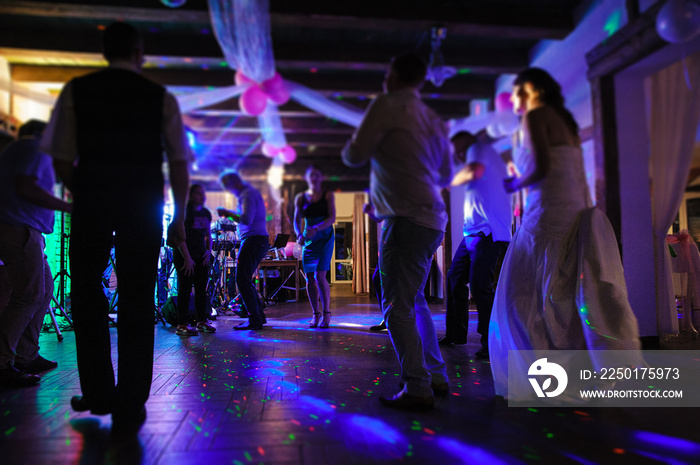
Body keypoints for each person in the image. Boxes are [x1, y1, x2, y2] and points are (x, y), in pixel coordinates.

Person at [40, 22, 191, 434]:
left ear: (105, 50)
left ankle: (99, 391)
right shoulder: (161, 98)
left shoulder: (77, 89)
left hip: (91, 203)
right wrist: (177, 217)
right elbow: (179, 163)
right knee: (139, 295)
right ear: (140, 52)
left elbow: (59, 160)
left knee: (86, 292)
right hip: (143, 205)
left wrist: (85, 192)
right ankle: (130, 398)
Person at [488, 68, 641, 400]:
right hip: (572, 213)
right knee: (565, 295)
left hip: (546, 214)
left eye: (517, 92)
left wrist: (515, 183)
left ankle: (540, 376)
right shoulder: (564, 120)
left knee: (524, 295)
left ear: (532, 90)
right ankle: (573, 374)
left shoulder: (536, 116)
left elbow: (542, 167)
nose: (514, 99)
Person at [342, 53, 453, 410]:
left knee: (395, 307)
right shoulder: (433, 118)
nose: (383, 80)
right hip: (434, 220)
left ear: (393, 76)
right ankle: (435, 374)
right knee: (415, 300)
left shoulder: (386, 105)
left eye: (386, 74)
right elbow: (447, 173)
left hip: (404, 221)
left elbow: (355, 155)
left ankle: (418, 387)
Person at [0, 120, 71, 388]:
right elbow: (25, 188)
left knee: (43, 290)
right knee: (28, 294)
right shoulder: (32, 148)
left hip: (28, 231)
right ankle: (3, 362)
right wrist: (69, 207)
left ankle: (26, 354)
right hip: (20, 229)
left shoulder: (24, 151)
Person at [438, 130, 511, 359]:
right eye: (457, 152)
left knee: (481, 286)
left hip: (487, 233)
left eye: (460, 149)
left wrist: (448, 180)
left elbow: (473, 171)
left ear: (469, 143)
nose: (460, 154)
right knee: (454, 278)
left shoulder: (479, 150)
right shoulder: (477, 156)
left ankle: (490, 343)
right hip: (472, 232)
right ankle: (456, 334)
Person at [218, 171, 269, 331]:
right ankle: (258, 316)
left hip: (253, 240)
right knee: (245, 279)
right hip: (257, 240)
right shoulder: (249, 194)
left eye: (228, 187)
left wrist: (227, 213)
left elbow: (246, 219)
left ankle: (254, 319)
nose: (229, 191)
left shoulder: (247, 194)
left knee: (242, 279)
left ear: (234, 182)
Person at [293, 164, 336, 329]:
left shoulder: (327, 195)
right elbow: (296, 220)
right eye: (311, 175)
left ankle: (326, 313)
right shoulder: (300, 197)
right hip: (308, 238)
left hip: (325, 236)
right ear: (307, 178)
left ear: (321, 177)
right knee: (309, 277)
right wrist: (299, 235)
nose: (314, 178)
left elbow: (332, 218)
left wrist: (317, 229)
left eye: (317, 175)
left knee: (320, 276)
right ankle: (315, 314)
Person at [173, 184, 215, 336]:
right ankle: (182, 324)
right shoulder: (184, 212)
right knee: (184, 290)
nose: (202, 196)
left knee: (201, 290)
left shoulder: (205, 213)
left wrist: (208, 252)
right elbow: (178, 236)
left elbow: (208, 235)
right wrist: (187, 258)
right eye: (198, 193)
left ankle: (202, 322)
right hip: (184, 256)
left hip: (200, 256)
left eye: (203, 193)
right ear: (191, 195)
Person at [363, 202, 386, 332]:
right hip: (388, 241)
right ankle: (388, 317)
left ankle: (394, 318)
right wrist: (370, 212)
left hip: (399, 240)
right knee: (377, 277)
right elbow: (381, 217)